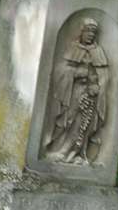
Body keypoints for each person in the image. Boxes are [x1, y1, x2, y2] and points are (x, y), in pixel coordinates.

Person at [44, 17, 110, 165]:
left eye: (93, 33)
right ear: (81, 32)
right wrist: (74, 74)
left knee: (83, 124)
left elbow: (104, 75)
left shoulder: (98, 51)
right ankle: (58, 149)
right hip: (72, 92)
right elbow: (60, 70)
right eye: (87, 32)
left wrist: (97, 85)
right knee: (68, 119)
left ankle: (74, 153)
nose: (90, 35)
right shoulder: (72, 48)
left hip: (90, 93)